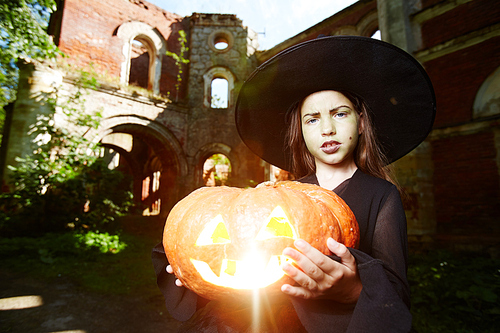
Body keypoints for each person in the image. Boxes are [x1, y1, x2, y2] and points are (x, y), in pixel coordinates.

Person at [152, 35, 436, 332]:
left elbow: (397, 294)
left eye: (340, 114)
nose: (327, 129)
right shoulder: (284, 195)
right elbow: (247, 263)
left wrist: (351, 291)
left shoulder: (381, 195)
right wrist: (189, 266)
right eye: (312, 119)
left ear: (361, 122)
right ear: (299, 131)